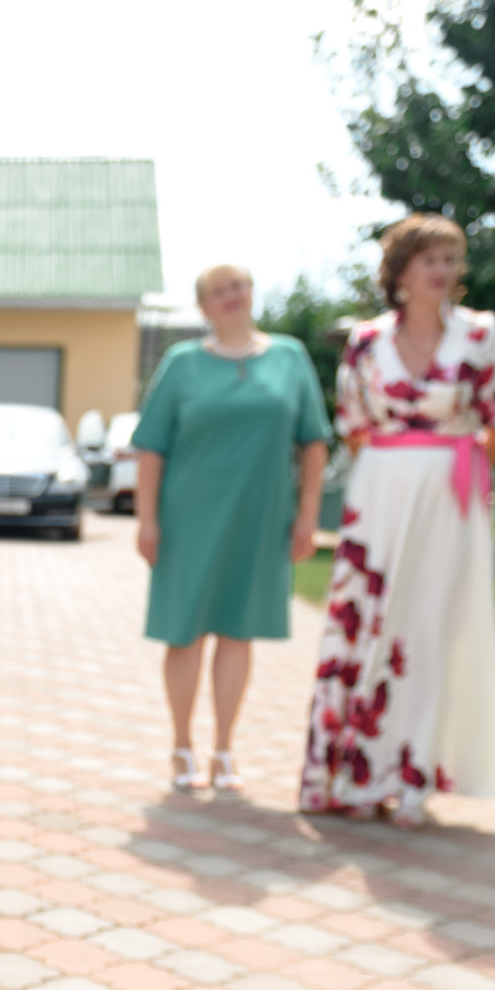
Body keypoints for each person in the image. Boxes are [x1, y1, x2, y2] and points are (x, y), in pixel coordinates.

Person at [299, 212, 495, 824]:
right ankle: (352, 775)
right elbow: (352, 425)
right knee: (366, 623)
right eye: (432, 260)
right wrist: (398, 472)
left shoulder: (480, 334)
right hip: (381, 491)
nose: (444, 272)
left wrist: (452, 465)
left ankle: (414, 779)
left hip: (450, 494)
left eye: (452, 260)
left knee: (428, 627)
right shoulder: (366, 340)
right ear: (401, 271)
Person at [134, 264, 331, 792]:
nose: (230, 297)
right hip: (187, 519)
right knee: (185, 632)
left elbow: (313, 442)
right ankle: (181, 746)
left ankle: (224, 749)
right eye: (217, 292)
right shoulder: (181, 365)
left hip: (261, 518)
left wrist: (307, 515)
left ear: (251, 294)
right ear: (203, 306)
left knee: (238, 632)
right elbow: (150, 446)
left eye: (238, 287)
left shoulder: (289, 358)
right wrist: (147, 520)